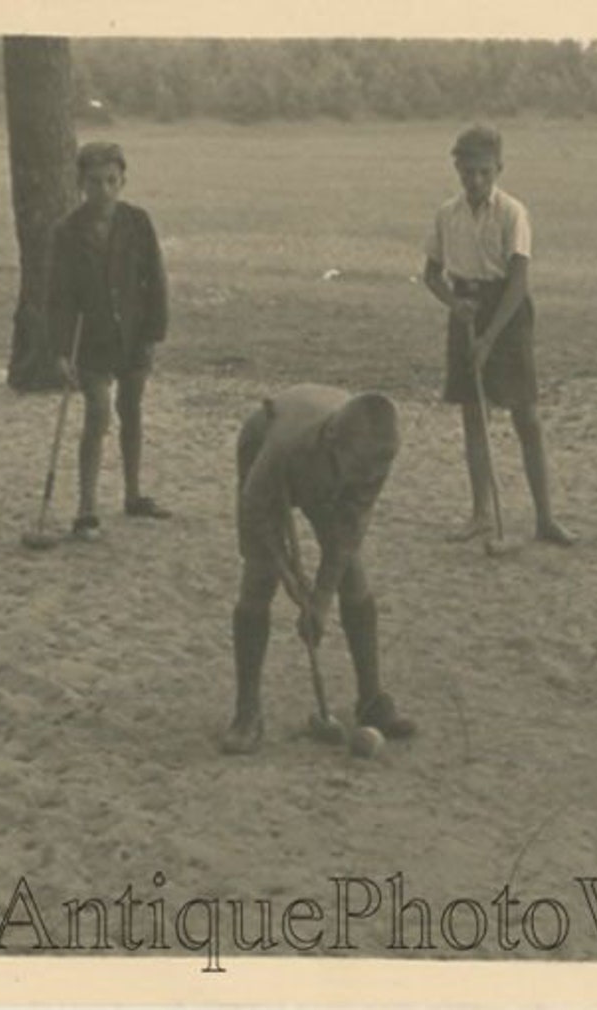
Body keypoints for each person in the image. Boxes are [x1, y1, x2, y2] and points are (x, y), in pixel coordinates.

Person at [222, 385, 418, 755]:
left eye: (371, 473)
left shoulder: (374, 454)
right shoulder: (283, 446)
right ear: (332, 442)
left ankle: (372, 700)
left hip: (322, 471)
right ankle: (247, 712)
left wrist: (321, 599)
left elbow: (345, 536)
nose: (365, 479)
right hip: (263, 451)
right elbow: (256, 513)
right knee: (259, 579)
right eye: (357, 470)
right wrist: (290, 575)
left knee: (353, 575)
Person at [421, 125, 574, 548]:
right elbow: (431, 275)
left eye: (484, 172)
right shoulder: (446, 214)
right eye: (467, 172)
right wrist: (454, 304)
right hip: (466, 309)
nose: (475, 181)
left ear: (499, 169)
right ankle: (481, 515)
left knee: (526, 415)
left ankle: (545, 517)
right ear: (457, 168)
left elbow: (519, 282)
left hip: (506, 313)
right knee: (474, 415)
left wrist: (488, 338)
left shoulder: (512, 213)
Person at [48, 140, 172, 541]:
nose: (102, 190)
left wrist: (154, 332)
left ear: (122, 182)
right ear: (80, 183)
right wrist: (62, 350)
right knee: (97, 414)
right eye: (93, 182)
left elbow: (155, 280)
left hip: (133, 335)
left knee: (131, 411)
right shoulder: (68, 231)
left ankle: (133, 495)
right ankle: (87, 507)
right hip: (93, 340)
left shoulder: (138, 222)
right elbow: (61, 296)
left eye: (110, 181)